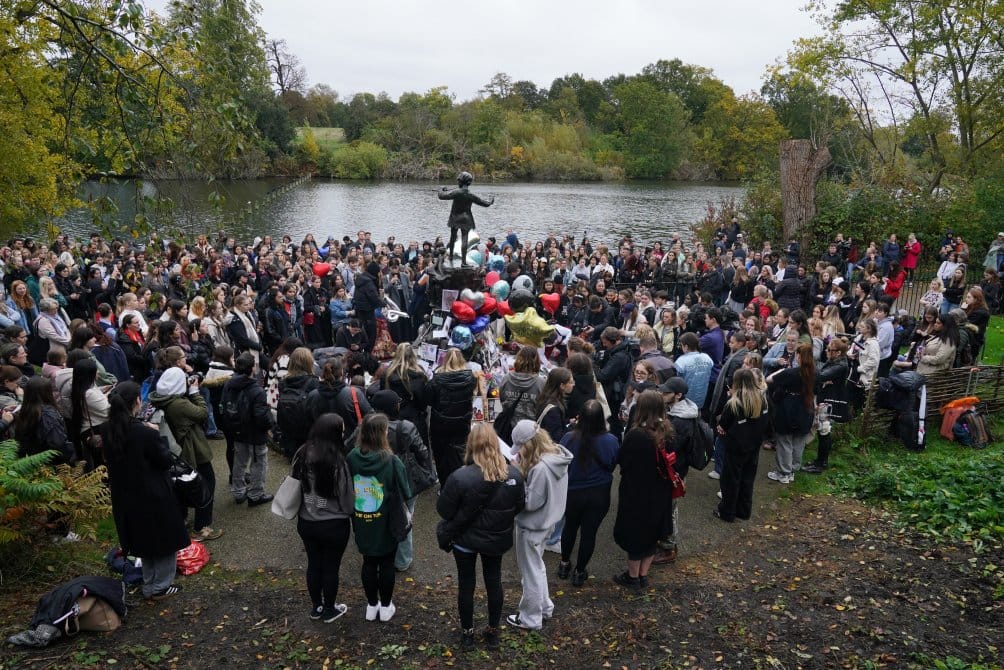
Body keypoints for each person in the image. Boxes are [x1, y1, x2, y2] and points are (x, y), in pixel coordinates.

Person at [436, 423, 525, 650]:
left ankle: (467, 634)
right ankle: (493, 632)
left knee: (466, 584)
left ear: (471, 445)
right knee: (494, 582)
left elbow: (444, 510)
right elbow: (518, 507)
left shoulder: (459, 477)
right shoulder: (514, 476)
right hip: (496, 540)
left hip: (464, 540)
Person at [102, 381, 189, 601]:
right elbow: (164, 461)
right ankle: (161, 586)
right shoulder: (144, 433)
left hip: (125, 495)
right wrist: (158, 435)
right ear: (137, 401)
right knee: (165, 541)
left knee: (144, 541)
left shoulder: (107, 429)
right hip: (153, 494)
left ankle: (150, 583)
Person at [346, 413, 411, 623]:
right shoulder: (391, 460)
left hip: (361, 519)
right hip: (387, 521)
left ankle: (371, 605)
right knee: (387, 563)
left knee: (368, 562)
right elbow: (406, 490)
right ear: (382, 434)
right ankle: (385, 606)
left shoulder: (352, 457)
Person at [507, 421, 572, 631]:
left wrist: (517, 474)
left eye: (521, 447)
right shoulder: (555, 457)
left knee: (530, 574)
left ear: (529, 444)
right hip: (547, 523)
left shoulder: (541, 469)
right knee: (537, 567)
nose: (519, 452)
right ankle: (544, 607)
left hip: (532, 527)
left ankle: (530, 618)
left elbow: (530, 503)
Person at [292, 414, 354, 624]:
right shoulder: (338, 461)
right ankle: (329, 609)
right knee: (331, 567)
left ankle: (316, 606)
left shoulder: (302, 454)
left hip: (306, 521)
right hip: (334, 524)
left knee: (314, 564)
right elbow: (347, 500)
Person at [150, 366, 223, 542]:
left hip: (177, 449)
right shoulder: (179, 404)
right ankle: (202, 527)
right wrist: (195, 392)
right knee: (206, 484)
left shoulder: (160, 398)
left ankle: (181, 519)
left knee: (181, 485)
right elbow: (202, 413)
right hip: (193, 449)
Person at [612, 390, 674, 591]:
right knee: (652, 534)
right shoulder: (668, 432)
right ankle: (643, 575)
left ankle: (632, 577)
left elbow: (623, 462)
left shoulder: (636, 435)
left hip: (636, 492)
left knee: (635, 534)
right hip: (661, 491)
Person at [368, 390, 436, 573]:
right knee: (405, 517)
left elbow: (351, 447)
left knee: (377, 516)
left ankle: (379, 556)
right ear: (394, 407)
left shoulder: (366, 427)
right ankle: (402, 561)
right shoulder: (405, 427)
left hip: (374, 479)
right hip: (403, 479)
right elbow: (422, 452)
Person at [557, 399, 619, 586]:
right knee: (589, 533)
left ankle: (564, 564)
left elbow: (560, 464)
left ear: (580, 418)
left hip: (572, 493)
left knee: (569, 527)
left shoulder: (568, 438)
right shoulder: (611, 441)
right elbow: (612, 464)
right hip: (599, 493)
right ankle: (579, 571)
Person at [715, 369, 770, 522]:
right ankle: (744, 510)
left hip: (736, 447)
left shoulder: (734, 403)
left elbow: (723, 425)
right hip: (754, 445)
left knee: (730, 480)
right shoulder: (762, 399)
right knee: (747, 478)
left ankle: (727, 512)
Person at [220, 352, 275, 505]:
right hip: (255, 434)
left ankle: (238, 492)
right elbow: (261, 416)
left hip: (236, 430)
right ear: (252, 368)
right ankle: (256, 494)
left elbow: (223, 405)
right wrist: (269, 425)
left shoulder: (228, 384)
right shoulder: (256, 390)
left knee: (239, 461)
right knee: (259, 463)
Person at [426, 349, 479, 487]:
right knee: (460, 456)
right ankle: (461, 485)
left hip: (440, 425)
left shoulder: (436, 380)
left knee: (441, 457)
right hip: (462, 424)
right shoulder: (471, 379)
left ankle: (445, 486)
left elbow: (429, 400)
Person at [766, 344, 816, 484]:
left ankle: (783, 473)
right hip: (807, 410)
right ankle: (792, 470)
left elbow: (769, 380)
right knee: (799, 442)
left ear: (799, 356)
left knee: (784, 441)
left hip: (788, 409)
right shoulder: (815, 374)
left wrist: (780, 370)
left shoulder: (790, 373)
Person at [803, 338, 851, 473]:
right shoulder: (834, 361)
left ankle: (821, 464)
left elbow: (820, 375)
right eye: (827, 348)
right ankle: (819, 461)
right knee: (822, 431)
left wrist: (822, 379)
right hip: (826, 399)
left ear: (838, 352)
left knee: (824, 431)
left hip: (830, 402)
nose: (826, 351)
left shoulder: (840, 366)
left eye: (830, 350)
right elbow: (821, 373)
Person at [11, 376, 74, 463]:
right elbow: (57, 444)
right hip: (51, 462)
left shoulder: (24, 411)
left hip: (31, 461)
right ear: (47, 393)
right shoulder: (48, 415)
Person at [499, 345, 545, 427]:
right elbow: (542, 408)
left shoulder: (506, 379)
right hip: (530, 428)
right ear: (537, 362)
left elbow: (500, 401)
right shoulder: (541, 383)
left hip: (507, 426)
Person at [535, 367, 573, 442]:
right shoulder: (554, 410)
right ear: (562, 385)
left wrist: (568, 421)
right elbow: (557, 437)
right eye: (571, 382)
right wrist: (572, 427)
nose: (573, 384)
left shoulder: (546, 398)